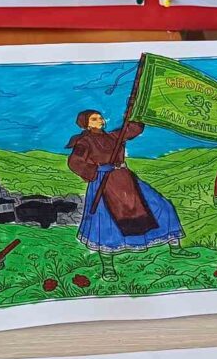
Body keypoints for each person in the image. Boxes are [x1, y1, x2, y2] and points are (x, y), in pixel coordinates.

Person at [67, 110, 184, 280]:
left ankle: (176, 248)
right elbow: (74, 162)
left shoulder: (114, 136)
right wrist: (96, 170)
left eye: (100, 117)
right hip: (104, 183)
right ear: (86, 123)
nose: (100, 120)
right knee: (105, 223)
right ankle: (108, 268)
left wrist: (134, 110)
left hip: (126, 180)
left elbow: (133, 129)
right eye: (94, 119)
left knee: (161, 205)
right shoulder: (84, 142)